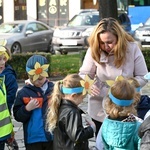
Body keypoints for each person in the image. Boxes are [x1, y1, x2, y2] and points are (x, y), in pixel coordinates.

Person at [79, 17, 148, 136]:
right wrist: (89, 85)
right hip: (99, 107)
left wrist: (126, 87)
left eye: (110, 42)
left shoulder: (132, 48)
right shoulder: (93, 50)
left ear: (119, 39)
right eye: (102, 43)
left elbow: (143, 77)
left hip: (128, 106)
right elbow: (84, 74)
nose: (106, 46)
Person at [13, 55, 54, 150]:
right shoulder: (23, 93)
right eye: (33, 79)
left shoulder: (54, 90)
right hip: (33, 139)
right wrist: (26, 109)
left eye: (40, 79)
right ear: (28, 76)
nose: (37, 82)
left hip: (52, 137)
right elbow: (17, 116)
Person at [46, 74, 96, 150]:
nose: (82, 101)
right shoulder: (72, 112)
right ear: (74, 95)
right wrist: (92, 128)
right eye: (82, 98)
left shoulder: (60, 106)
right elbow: (77, 136)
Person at [96, 76, 141, 150]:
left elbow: (103, 146)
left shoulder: (106, 124)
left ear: (109, 102)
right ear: (133, 101)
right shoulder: (138, 127)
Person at [0, 46, 18, 150]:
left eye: (4, 59)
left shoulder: (8, 77)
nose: (2, 63)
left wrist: (10, 130)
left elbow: (7, 105)